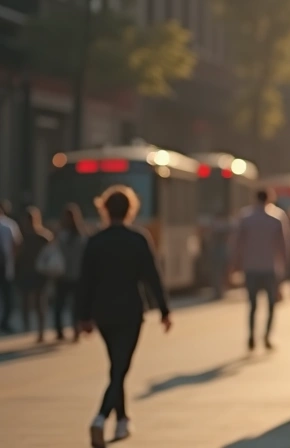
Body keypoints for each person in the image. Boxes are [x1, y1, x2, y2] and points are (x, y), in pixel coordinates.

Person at [76, 185, 171, 448]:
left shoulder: (95, 241)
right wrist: (164, 310)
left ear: (104, 209)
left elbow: (85, 281)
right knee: (120, 368)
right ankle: (100, 417)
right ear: (131, 210)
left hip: (103, 312)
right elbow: (152, 277)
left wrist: (83, 317)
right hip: (130, 311)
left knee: (116, 365)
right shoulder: (138, 239)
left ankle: (122, 420)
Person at [230, 189, 290, 351]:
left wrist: (235, 264)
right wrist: (285, 269)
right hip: (270, 268)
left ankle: (251, 335)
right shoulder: (277, 217)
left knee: (252, 305)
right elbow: (284, 246)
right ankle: (266, 335)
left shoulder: (246, 217)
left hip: (251, 267)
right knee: (271, 305)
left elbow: (238, 243)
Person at [52, 204, 89, 342]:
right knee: (60, 305)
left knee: (74, 306)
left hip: (74, 274)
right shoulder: (62, 234)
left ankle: (75, 329)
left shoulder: (79, 234)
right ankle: (60, 330)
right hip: (63, 274)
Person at [16, 206, 52, 342]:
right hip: (26, 272)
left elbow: (51, 252)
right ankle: (27, 329)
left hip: (39, 273)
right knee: (26, 302)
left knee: (39, 302)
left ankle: (40, 331)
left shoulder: (43, 237)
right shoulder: (23, 237)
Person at [0, 200, 20, 333]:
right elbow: (17, 244)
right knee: (7, 297)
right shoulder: (9, 225)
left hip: (6, 265)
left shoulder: (9, 225)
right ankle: (5, 322)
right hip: (6, 266)